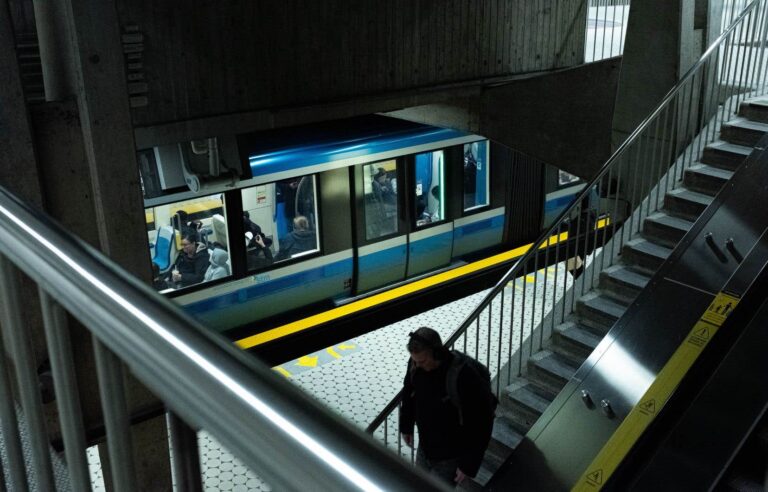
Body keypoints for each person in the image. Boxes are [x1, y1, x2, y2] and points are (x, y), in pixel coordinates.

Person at [399, 327, 495, 486]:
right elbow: (409, 392)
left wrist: (468, 464)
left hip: (451, 456)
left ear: (437, 353)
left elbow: (483, 421)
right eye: (415, 360)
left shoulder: (464, 376)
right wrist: (406, 425)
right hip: (426, 448)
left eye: (422, 361)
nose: (418, 365)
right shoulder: (416, 364)